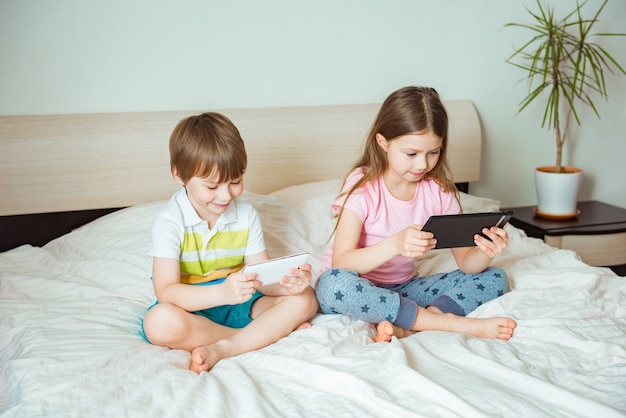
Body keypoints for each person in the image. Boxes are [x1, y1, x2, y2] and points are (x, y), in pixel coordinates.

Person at [315, 86, 517, 343]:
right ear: (383, 142)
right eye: (411, 154)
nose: (422, 164)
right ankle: (445, 322)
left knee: (494, 277)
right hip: (357, 289)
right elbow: (341, 263)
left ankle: (410, 326)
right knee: (331, 285)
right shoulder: (362, 186)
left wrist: (484, 251)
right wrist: (395, 244)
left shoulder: (439, 192)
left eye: (433, 152)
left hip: (405, 290)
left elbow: (467, 265)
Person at [142, 112, 319, 373]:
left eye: (235, 182)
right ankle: (258, 335)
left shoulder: (245, 215)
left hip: (239, 303)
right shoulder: (169, 221)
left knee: (306, 299)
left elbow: (262, 278)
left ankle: (228, 347)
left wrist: (288, 283)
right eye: (212, 186)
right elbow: (167, 292)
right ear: (180, 175)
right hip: (193, 311)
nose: (226, 195)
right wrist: (221, 293)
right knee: (158, 322)